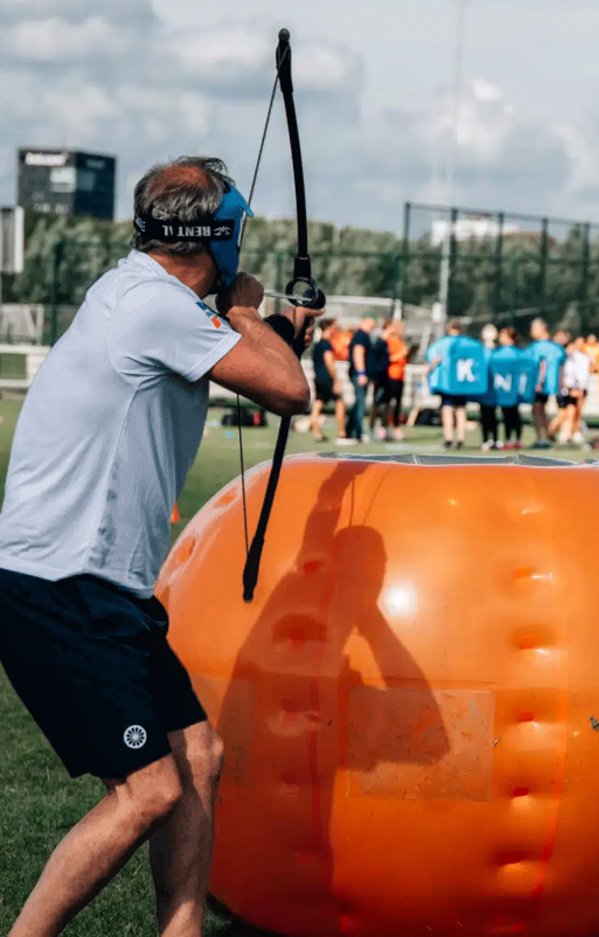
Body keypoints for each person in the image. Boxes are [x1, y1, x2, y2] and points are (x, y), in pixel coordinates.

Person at [0, 156, 313, 937]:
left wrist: (270, 329)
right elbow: (287, 389)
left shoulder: (140, 294)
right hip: (63, 585)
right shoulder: (154, 306)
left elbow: (259, 362)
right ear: (220, 238)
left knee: (198, 754)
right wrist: (251, 313)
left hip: (97, 586)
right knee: (149, 791)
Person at [426, 319, 469, 450]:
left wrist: (428, 370)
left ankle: (448, 438)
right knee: (461, 408)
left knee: (447, 408)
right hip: (462, 382)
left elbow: (435, 359)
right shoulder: (467, 344)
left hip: (447, 382)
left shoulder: (442, 344)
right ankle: (461, 438)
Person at [528, 318, 564, 449]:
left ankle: (541, 438)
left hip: (540, 384)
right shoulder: (555, 347)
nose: (531, 332)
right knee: (541, 409)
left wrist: (540, 382)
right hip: (549, 385)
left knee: (537, 409)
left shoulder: (540, 347)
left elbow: (542, 365)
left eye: (533, 328)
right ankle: (547, 435)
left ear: (542, 328)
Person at [311, 317, 348, 444]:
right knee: (340, 402)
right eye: (334, 327)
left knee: (318, 403)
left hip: (318, 377)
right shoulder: (326, 344)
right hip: (327, 378)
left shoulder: (317, 345)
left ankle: (316, 432)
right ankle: (342, 433)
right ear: (328, 328)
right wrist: (336, 381)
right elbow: (329, 363)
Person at [554, 332, 590, 445]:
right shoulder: (564, 357)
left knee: (573, 412)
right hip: (565, 389)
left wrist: (580, 388)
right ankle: (554, 432)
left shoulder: (582, 357)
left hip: (575, 388)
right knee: (564, 413)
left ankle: (570, 433)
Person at [493, 326, 525, 449]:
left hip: (513, 388)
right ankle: (509, 439)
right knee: (507, 413)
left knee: (513, 413)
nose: (500, 338)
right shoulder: (499, 352)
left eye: (503, 335)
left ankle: (516, 439)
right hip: (504, 387)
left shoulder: (517, 353)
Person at [379, 320, 409, 441]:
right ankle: (383, 428)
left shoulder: (400, 341)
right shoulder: (389, 341)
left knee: (397, 404)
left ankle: (396, 427)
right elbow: (388, 358)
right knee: (387, 403)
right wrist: (401, 354)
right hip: (391, 375)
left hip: (400, 375)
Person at [347, 316, 375, 442]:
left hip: (361, 373)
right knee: (360, 403)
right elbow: (358, 354)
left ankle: (349, 430)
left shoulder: (364, 335)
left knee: (358, 402)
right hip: (359, 374)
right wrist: (361, 373)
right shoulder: (361, 335)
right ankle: (358, 432)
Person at [478, 323, 500, 450]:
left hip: (494, 389)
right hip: (484, 389)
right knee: (485, 415)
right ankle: (486, 439)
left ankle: (494, 440)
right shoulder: (482, 351)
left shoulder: (496, 352)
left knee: (492, 415)